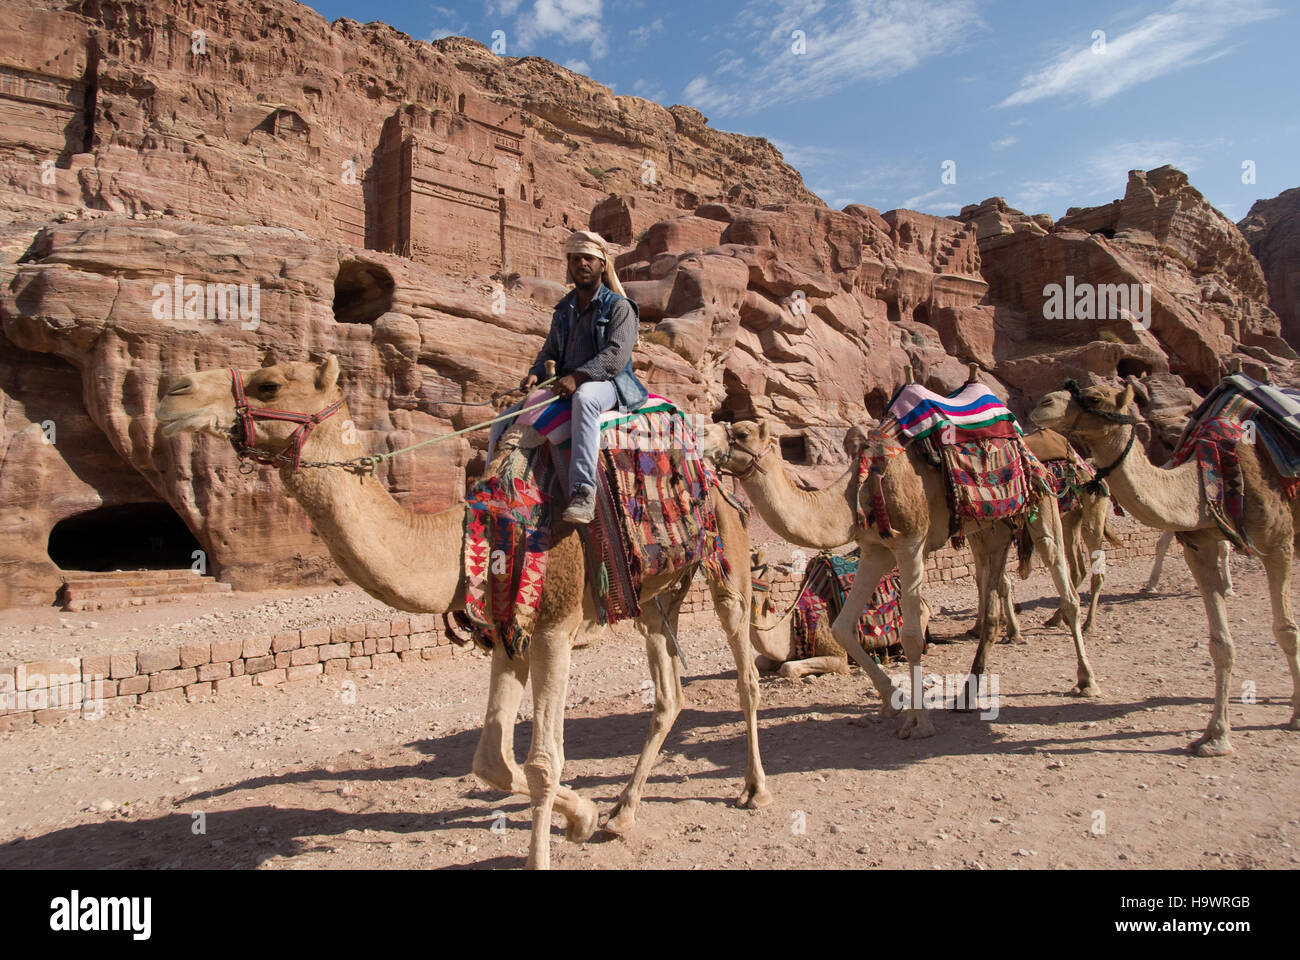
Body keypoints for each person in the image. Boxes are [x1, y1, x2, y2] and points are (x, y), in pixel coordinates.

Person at [489, 230, 648, 523]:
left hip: (609, 385)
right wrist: (536, 374)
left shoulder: (620, 308)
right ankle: (492, 488)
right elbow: (549, 350)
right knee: (504, 418)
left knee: (586, 399)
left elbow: (615, 357)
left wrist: (578, 377)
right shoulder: (564, 309)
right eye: (575, 259)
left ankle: (583, 491)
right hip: (566, 385)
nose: (581, 264)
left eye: (588, 258)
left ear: (602, 264)